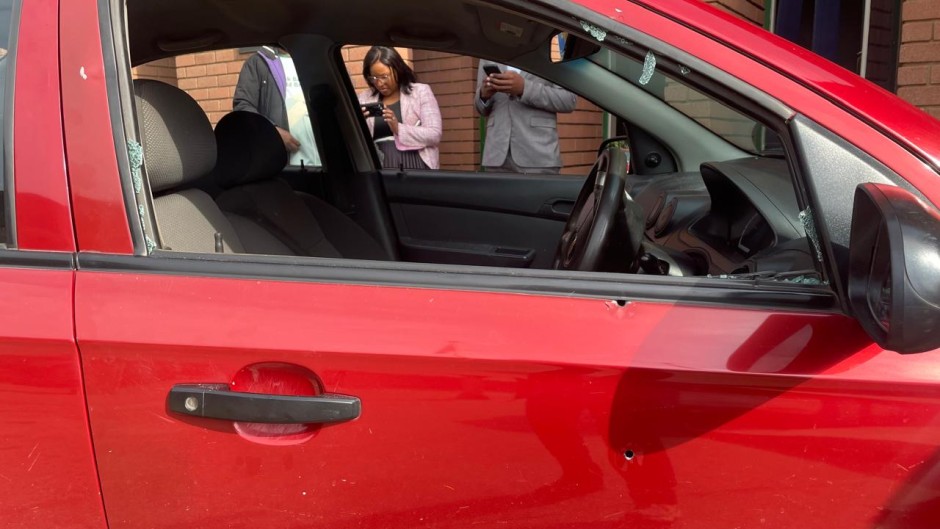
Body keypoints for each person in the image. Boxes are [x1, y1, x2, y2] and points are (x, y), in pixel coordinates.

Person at [475, 62, 577, 174]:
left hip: (537, 155)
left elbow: (568, 100)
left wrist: (524, 88)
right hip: (495, 155)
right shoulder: (489, 48)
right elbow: (480, 108)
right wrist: (483, 95)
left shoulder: (554, 46)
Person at [233, 46, 321, 167]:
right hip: (285, 167)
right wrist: (272, 132)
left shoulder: (316, 61)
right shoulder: (258, 62)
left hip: (323, 163)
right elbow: (242, 107)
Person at [357, 46, 442, 170]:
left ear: (397, 70)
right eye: (374, 78)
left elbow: (434, 134)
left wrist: (398, 128)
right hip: (378, 166)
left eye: (384, 76)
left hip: (415, 164)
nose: (379, 83)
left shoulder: (420, 92)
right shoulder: (364, 98)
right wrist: (358, 123)